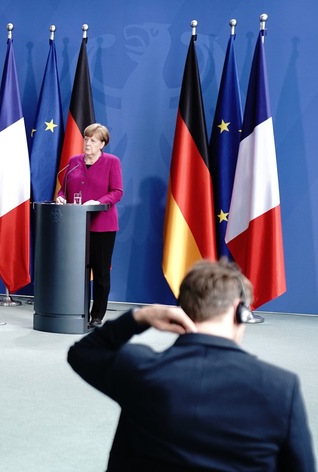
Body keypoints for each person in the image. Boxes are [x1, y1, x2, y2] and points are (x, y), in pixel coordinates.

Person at [67, 259, 315, 471]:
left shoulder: (139, 368)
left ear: (182, 309)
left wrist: (140, 317)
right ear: (238, 311)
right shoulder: (281, 387)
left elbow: (83, 353)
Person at [55, 123, 123, 327]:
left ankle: (97, 315)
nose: (87, 143)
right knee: (77, 270)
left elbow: (117, 191)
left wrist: (99, 202)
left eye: (93, 140)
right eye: (86, 139)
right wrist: (60, 197)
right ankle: (77, 310)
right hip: (75, 227)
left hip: (102, 226)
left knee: (101, 271)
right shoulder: (74, 161)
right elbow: (64, 189)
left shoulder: (112, 162)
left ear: (102, 144)